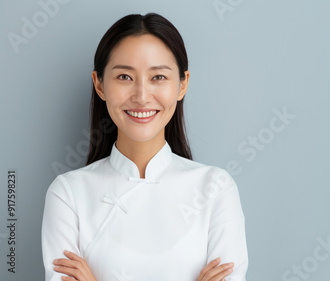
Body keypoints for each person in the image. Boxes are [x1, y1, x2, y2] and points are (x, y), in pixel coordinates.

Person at [41, 13, 248, 281]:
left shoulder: (216, 188)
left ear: (182, 84)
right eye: (125, 77)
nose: (141, 96)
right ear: (100, 84)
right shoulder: (68, 194)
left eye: (158, 77)